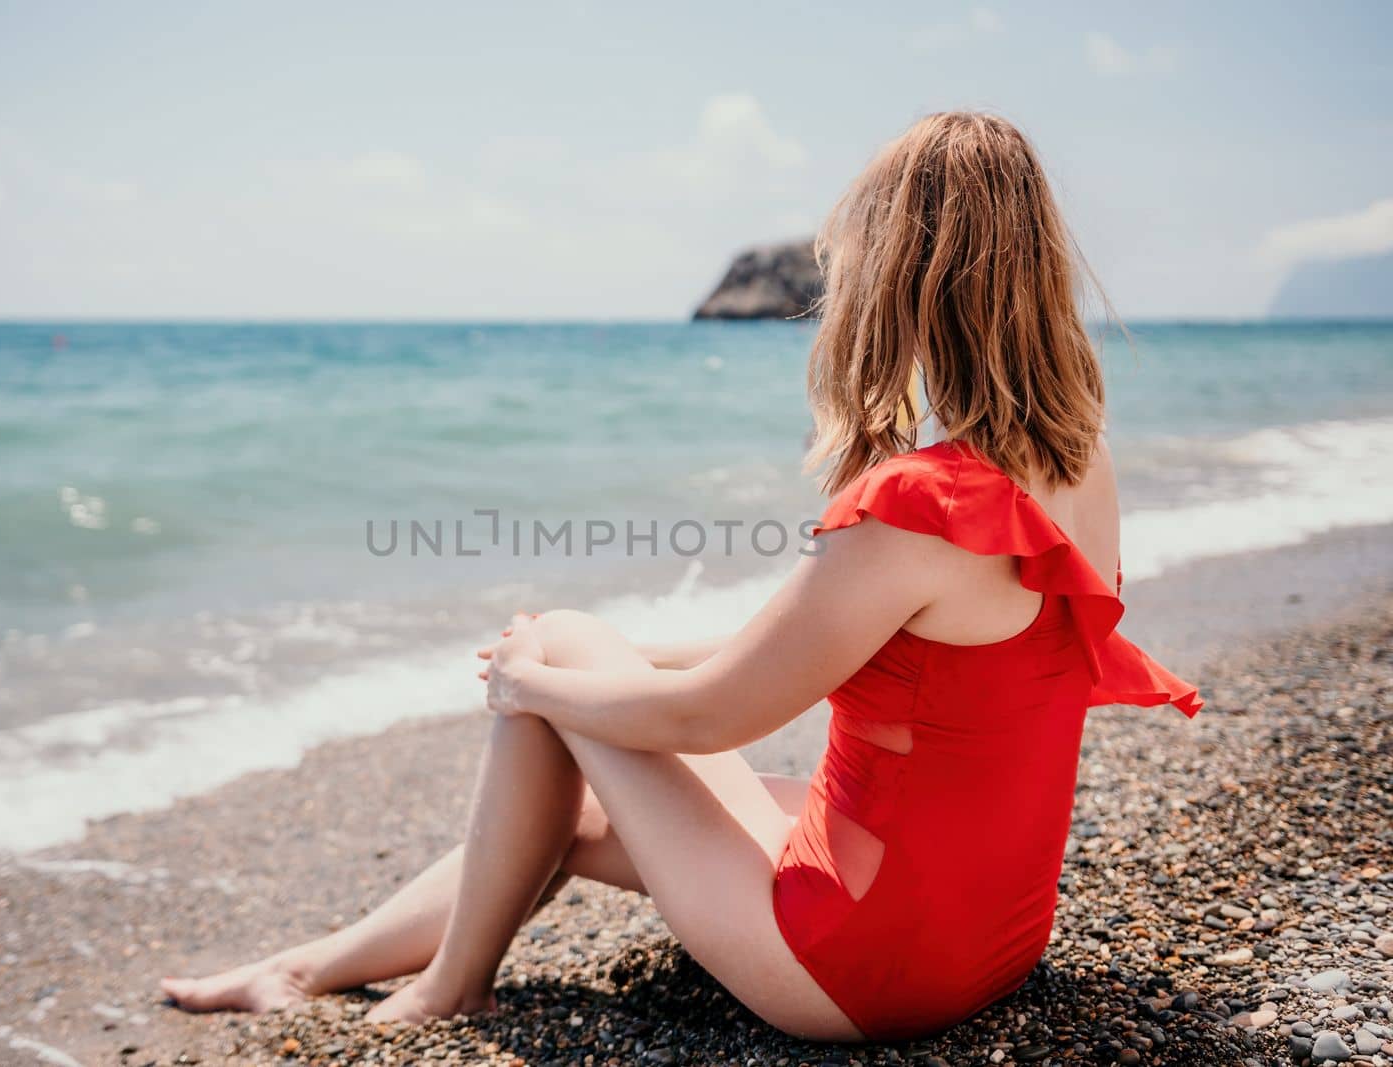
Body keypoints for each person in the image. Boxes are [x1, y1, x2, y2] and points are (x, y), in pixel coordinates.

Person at [161, 111, 1200, 1042]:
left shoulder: (917, 505)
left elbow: (711, 715)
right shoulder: (1075, 461)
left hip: (863, 963)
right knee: (562, 804)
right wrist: (600, 657)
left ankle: (451, 986)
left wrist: (536, 680)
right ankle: (312, 965)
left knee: (560, 647)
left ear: (894, 272)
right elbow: (825, 649)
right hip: (990, 930)